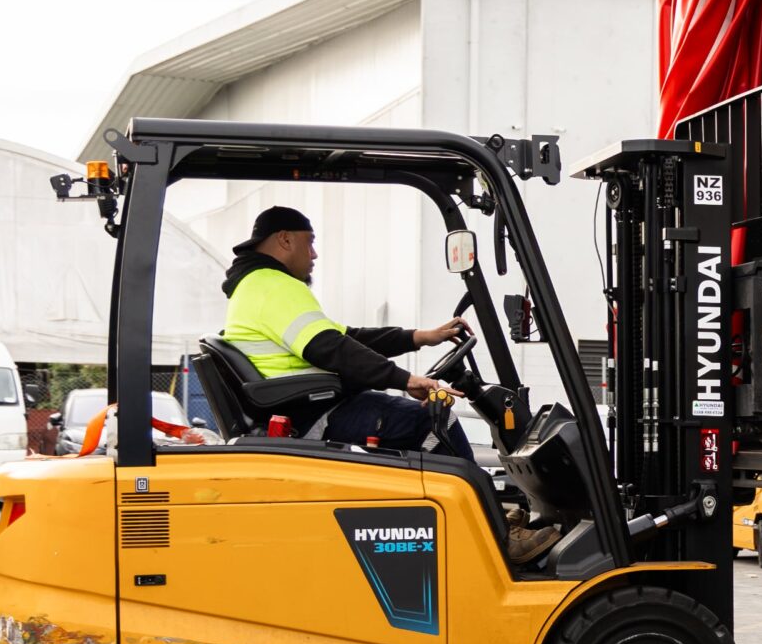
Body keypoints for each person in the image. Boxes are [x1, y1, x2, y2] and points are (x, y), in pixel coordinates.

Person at [221, 206, 559, 559]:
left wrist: (419, 337)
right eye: (310, 243)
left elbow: (345, 337)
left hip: (309, 407)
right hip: (312, 414)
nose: (315, 254)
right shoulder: (274, 286)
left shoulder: (257, 286)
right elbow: (330, 348)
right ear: (285, 239)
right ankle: (496, 536)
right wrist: (404, 379)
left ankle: (482, 514)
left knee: (425, 423)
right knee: (434, 421)